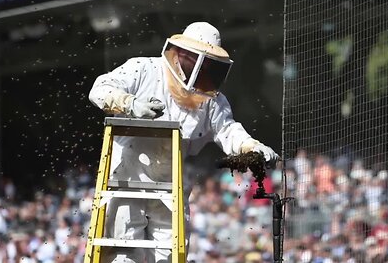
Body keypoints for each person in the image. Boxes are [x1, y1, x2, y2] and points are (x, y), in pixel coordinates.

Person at [89, 21, 279, 263]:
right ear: (183, 54)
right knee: (123, 255)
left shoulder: (210, 99)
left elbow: (228, 129)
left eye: (212, 65)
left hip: (171, 186)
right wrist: (129, 103)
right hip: (126, 180)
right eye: (203, 62)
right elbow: (100, 88)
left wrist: (251, 147)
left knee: (169, 257)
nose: (205, 70)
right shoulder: (143, 69)